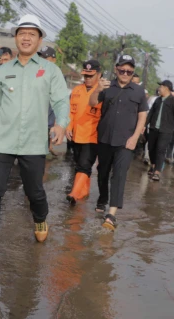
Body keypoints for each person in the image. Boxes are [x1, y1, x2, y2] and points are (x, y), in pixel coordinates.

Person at [0, 15, 69, 263]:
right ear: (15, 37)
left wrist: (60, 124)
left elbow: (61, 101)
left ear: (39, 39)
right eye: (22, 33)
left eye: (32, 34)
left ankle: (41, 218)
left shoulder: (50, 71)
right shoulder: (2, 71)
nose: (26, 37)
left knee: (35, 192)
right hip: (3, 141)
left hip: (33, 143)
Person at [89, 54, 148, 230]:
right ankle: (102, 198)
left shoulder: (138, 91)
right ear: (116, 69)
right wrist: (97, 89)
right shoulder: (106, 86)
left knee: (120, 174)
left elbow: (142, 115)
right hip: (105, 138)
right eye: (122, 69)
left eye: (129, 71)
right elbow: (91, 103)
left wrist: (135, 137)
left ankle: (111, 214)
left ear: (132, 72)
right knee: (102, 172)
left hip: (126, 141)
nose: (125, 73)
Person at [65, 59, 102, 205]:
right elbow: (72, 111)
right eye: (85, 75)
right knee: (79, 164)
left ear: (99, 75)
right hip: (76, 134)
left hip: (93, 136)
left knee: (84, 165)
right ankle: (84, 191)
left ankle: (74, 194)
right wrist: (69, 126)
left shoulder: (102, 92)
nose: (87, 78)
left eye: (91, 75)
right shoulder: (77, 90)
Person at [146, 80, 174, 181]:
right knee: (151, 148)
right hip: (154, 128)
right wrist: (143, 126)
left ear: (166, 88)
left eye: (161, 87)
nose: (159, 89)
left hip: (166, 130)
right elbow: (150, 114)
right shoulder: (158, 100)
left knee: (161, 149)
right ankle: (153, 165)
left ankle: (157, 172)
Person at [38, 46, 58, 155]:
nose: (42, 60)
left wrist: (56, 125)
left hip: (46, 124)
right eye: (41, 57)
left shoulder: (57, 77)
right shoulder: (38, 72)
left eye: (46, 58)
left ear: (53, 60)